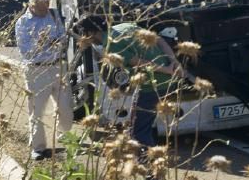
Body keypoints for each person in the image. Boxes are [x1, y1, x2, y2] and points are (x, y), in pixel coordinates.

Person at [73, 16, 191, 148]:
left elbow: (140, 63)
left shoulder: (111, 45)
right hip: (165, 80)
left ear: (90, 33)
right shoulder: (125, 26)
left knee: (139, 131)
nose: (84, 39)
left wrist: (167, 70)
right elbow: (159, 39)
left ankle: (146, 161)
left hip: (153, 85)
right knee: (139, 124)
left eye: (84, 35)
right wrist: (174, 61)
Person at [15, 0, 73, 161]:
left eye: (46, 4)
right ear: (31, 5)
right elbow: (26, 51)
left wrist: (54, 42)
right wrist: (43, 43)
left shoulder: (53, 16)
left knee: (66, 106)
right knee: (37, 110)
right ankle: (38, 148)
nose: (44, 8)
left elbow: (63, 39)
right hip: (36, 70)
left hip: (57, 67)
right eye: (40, 5)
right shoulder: (23, 22)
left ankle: (65, 136)